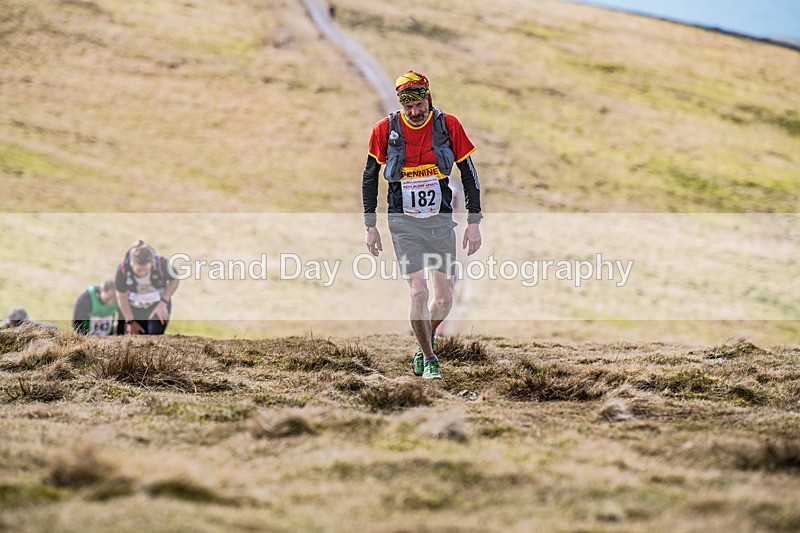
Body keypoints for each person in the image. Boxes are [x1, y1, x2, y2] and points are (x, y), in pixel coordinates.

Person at [362, 70, 483, 380]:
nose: (415, 113)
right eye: (408, 107)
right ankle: (430, 358)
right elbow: (369, 177)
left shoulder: (448, 126)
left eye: (420, 106)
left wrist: (473, 222)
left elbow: (468, 174)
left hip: (440, 223)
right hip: (403, 223)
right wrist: (370, 225)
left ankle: (421, 345)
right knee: (418, 292)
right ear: (401, 104)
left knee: (443, 298)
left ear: (429, 100)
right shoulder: (384, 130)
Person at [115, 240, 179, 335]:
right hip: (133, 306)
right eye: (139, 270)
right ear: (132, 264)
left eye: (146, 270)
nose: (143, 273)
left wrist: (163, 303)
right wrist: (131, 321)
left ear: (151, 263)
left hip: (157, 305)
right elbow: (122, 297)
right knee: (132, 337)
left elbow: (175, 279)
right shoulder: (123, 269)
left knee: (154, 335)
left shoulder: (161, 263)